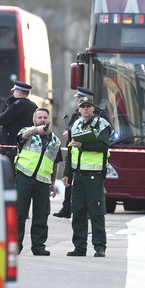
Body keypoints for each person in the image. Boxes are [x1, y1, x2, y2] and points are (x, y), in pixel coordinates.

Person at [62, 93, 113, 257]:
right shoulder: (75, 124)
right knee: (78, 212)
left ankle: (99, 247)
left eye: (88, 106)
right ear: (79, 109)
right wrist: (66, 173)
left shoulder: (102, 124)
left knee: (96, 212)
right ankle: (79, 247)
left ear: (93, 108)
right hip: (78, 176)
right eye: (82, 107)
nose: (85, 109)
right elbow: (71, 151)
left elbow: (103, 146)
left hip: (94, 175)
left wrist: (83, 145)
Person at [14, 108, 62, 256]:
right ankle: (15, 246)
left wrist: (53, 183)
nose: (42, 120)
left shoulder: (55, 140)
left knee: (41, 215)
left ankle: (39, 246)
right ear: (34, 120)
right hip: (24, 177)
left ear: (48, 120)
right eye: (39, 117)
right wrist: (36, 130)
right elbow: (21, 136)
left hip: (43, 181)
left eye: (45, 117)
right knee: (19, 214)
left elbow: (55, 163)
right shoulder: (28, 132)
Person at [53, 87, 106, 220]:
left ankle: (85, 211)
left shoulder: (98, 114)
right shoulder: (77, 113)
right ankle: (67, 208)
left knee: (90, 197)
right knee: (70, 183)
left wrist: (85, 144)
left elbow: (104, 138)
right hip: (75, 153)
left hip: (91, 164)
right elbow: (71, 126)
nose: (77, 100)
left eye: (79, 98)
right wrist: (67, 132)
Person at [0, 81, 38, 173]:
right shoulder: (33, 106)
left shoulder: (17, 105)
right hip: (27, 148)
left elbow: (1, 120)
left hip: (11, 149)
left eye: (14, 91)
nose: (13, 93)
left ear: (18, 92)